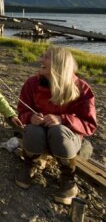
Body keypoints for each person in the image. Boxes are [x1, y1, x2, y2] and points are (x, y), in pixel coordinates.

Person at [15, 46, 97, 205]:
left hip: (65, 140)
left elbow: (90, 124)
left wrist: (63, 119)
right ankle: (30, 165)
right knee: (32, 129)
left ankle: (68, 179)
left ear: (59, 63)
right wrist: (30, 117)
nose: (40, 60)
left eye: (46, 57)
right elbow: (21, 112)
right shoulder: (32, 83)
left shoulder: (82, 88)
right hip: (40, 139)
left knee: (58, 131)